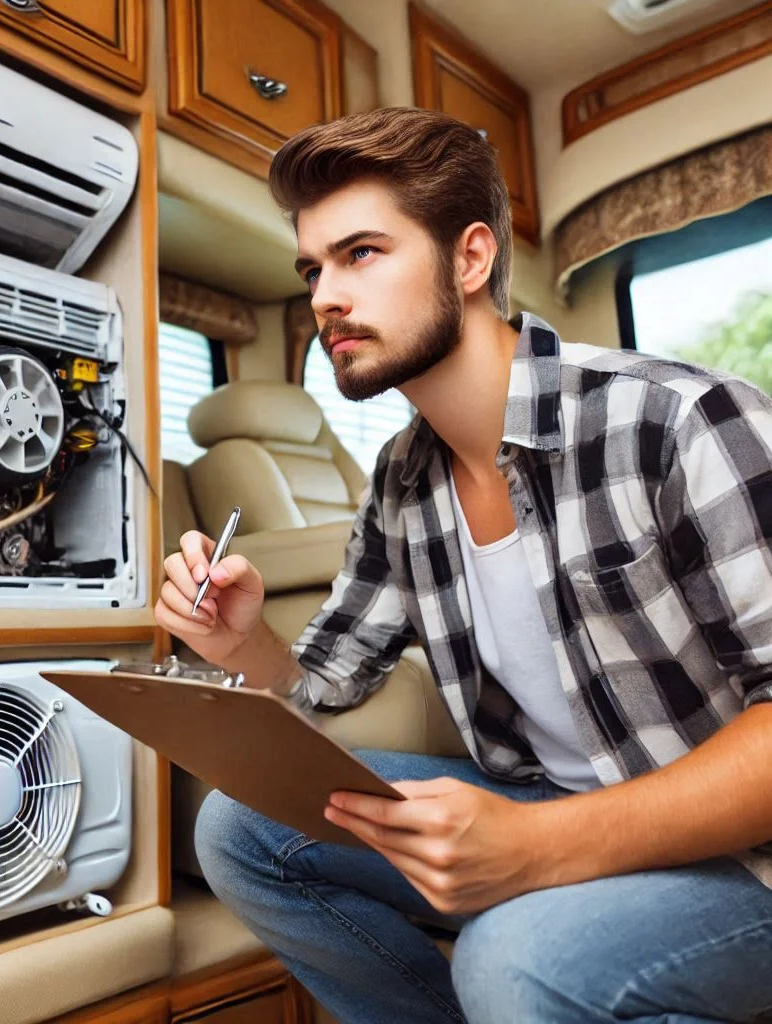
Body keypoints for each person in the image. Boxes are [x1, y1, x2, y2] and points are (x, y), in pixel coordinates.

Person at [153, 107, 772, 1024]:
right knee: (240, 829)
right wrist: (245, 645)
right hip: (550, 799)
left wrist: (536, 845)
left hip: (748, 861)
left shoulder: (680, 421)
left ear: (470, 259)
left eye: (361, 254)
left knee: (512, 959)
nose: (324, 295)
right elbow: (317, 683)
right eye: (313, 268)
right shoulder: (401, 484)